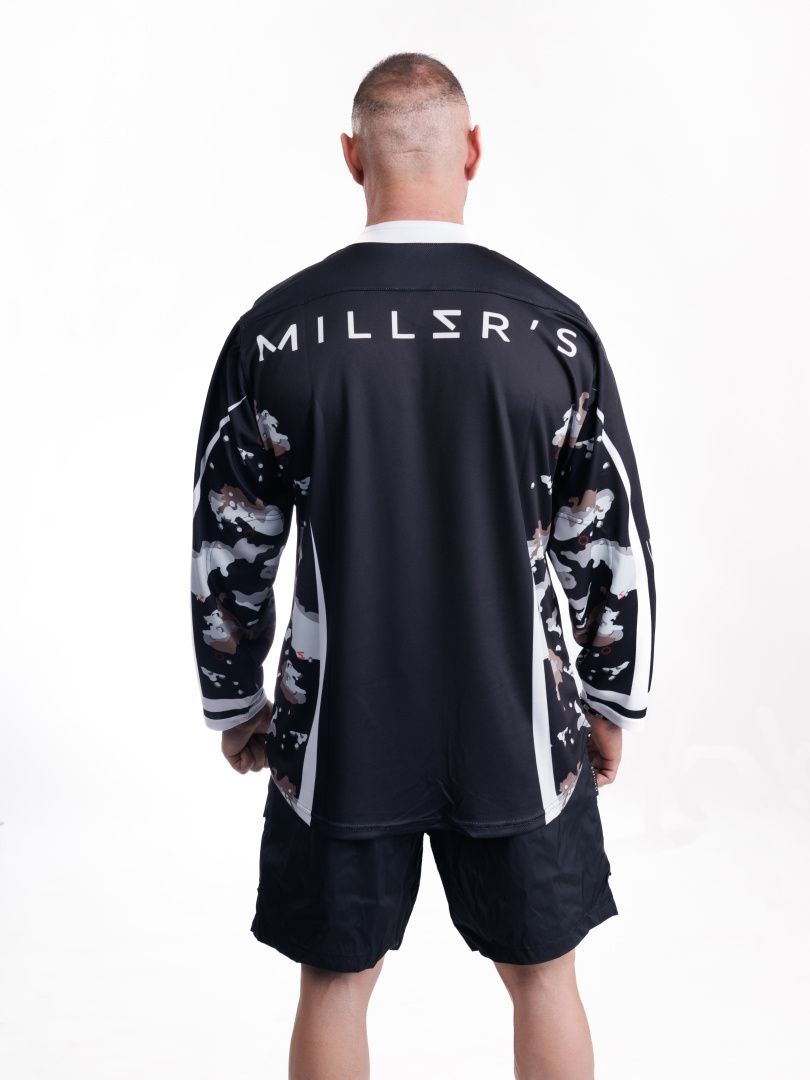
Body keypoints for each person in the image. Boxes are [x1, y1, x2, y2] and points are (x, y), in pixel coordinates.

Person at [190, 52, 656, 1080]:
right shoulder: (551, 330)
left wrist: (235, 701)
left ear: (352, 156)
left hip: (340, 725)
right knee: (546, 976)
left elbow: (230, 540)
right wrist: (611, 698)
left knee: (334, 982)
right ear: (473, 151)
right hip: (517, 722)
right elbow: (608, 536)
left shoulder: (278, 334)